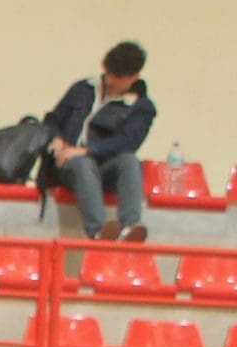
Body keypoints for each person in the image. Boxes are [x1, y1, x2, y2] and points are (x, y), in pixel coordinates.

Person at [40, 42, 155, 242]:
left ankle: (130, 227)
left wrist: (87, 151)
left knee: (129, 161)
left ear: (134, 76)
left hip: (103, 166)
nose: (110, 80)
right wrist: (56, 139)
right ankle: (98, 231)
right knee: (83, 164)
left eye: (117, 77)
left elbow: (127, 142)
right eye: (109, 73)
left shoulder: (141, 107)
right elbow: (53, 120)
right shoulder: (83, 89)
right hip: (68, 165)